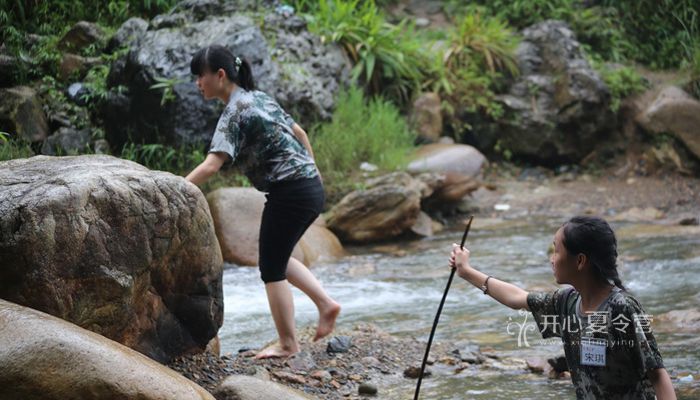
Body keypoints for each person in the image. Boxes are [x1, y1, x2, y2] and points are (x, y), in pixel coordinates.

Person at [184, 45, 340, 359]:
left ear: (220, 75)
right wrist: (314, 172)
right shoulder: (259, 97)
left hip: (291, 191)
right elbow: (301, 132)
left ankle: (287, 343)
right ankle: (326, 304)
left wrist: (176, 186)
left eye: (200, 77)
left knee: (270, 268)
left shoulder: (235, 111)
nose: (198, 83)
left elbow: (212, 165)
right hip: (308, 187)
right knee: (277, 257)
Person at [449, 216, 676, 399]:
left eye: (556, 250)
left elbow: (657, 374)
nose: (552, 258)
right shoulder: (566, 302)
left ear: (580, 261)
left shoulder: (622, 309)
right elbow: (517, 298)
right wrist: (467, 271)